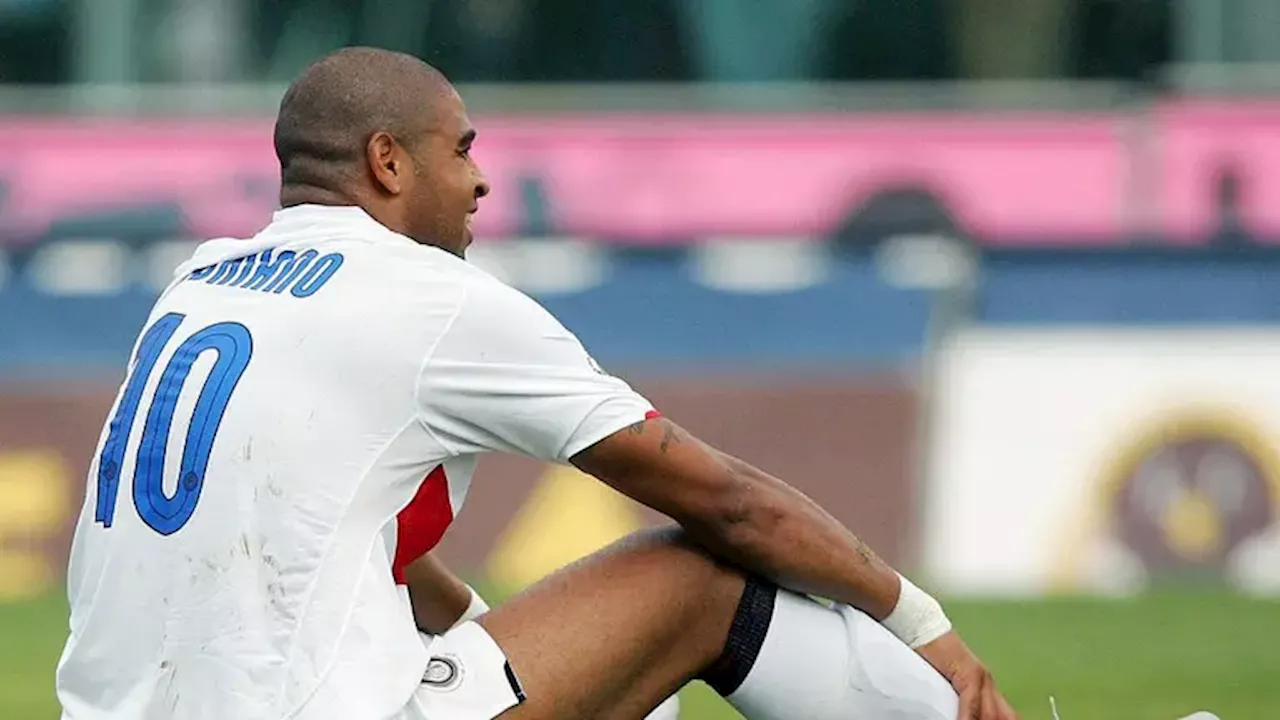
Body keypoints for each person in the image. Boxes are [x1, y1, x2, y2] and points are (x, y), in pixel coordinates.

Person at [54, 47, 1019, 720]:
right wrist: (921, 625)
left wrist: (489, 639)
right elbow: (731, 505)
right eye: (463, 147)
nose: (481, 180)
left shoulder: (204, 280)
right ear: (388, 161)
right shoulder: (424, 295)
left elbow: (310, 533)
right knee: (697, 578)